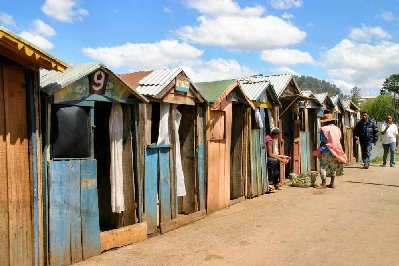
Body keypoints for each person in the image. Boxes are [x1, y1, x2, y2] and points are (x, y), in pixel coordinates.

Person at [313, 114, 347, 188]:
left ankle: (323, 183)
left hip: (326, 150)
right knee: (333, 166)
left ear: (325, 122)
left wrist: (319, 148)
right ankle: (332, 183)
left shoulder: (324, 129)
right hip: (336, 150)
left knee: (323, 166)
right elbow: (339, 139)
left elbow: (323, 140)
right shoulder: (337, 129)